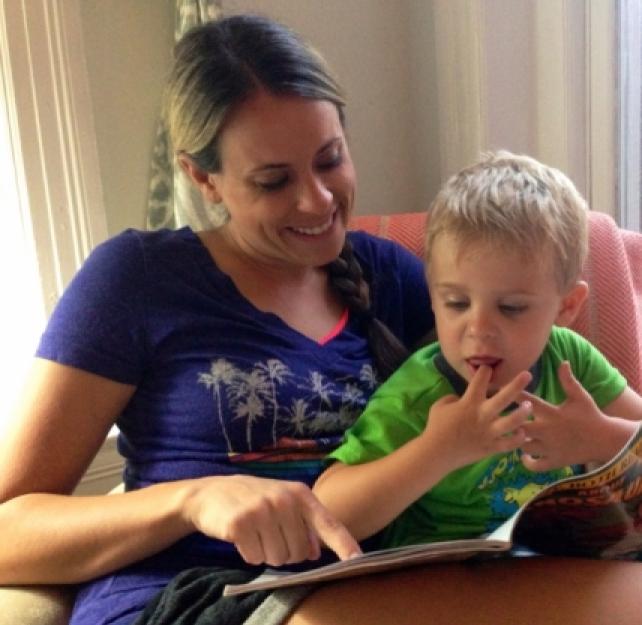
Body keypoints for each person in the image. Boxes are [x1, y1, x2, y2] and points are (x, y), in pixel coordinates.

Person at [0, 13, 433, 625]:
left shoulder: (391, 278)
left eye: (330, 159)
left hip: (366, 582)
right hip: (193, 596)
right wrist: (192, 500)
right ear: (202, 177)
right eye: (274, 181)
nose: (317, 200)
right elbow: (8, 531)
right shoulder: (137, 280)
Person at [313, 151, 642, 550]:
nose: (479, 329)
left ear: (566, 307)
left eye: (511, 307)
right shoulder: (418, 395)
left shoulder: (569, 361)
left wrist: (603, 437)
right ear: (433, 298)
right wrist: (438, 450)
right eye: (456, 303)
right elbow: (326, 513)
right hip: (445, 575)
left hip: (558, 565)